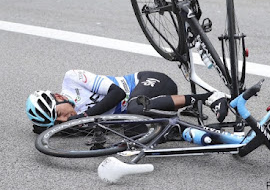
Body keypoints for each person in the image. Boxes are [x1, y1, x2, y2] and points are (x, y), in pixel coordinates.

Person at [26, 70, 228, 133]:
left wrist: (86, 116)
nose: (65, 119)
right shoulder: (71, 120)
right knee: (132, 127)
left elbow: (117, 94)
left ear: (58, 97)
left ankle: (209, 97)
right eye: (58, 121)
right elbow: (51, 132)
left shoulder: (72, 79)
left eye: (59, 113)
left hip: (149, 81)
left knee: (133, 107)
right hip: (148, 105)